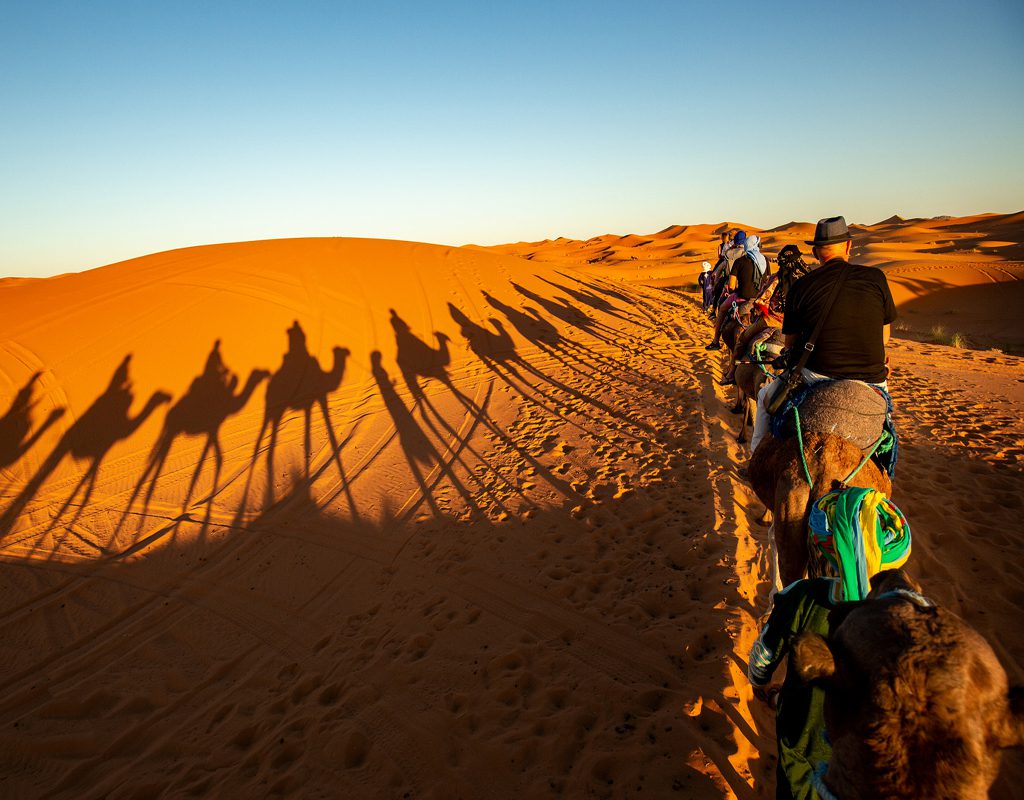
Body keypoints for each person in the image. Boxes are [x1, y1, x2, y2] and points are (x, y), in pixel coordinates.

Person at [748, 486, 912, 799]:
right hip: (865, 756)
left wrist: (759, 678)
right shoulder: (905, 618)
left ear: (825, 549)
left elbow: (763, 656)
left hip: (801, 738)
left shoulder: (800, 597)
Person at [749, 216, 897, 453]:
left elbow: (790, 343)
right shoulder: (876, 278)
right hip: (871, 378)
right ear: (848, 246)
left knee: (766, 398)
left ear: (816, 252)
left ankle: (755, 459)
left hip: (816, 377)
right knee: (886, 426)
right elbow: (883, 338)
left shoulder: (801, 286)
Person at [706, 231, 763, 350]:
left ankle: (716, 340)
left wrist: (718, 284)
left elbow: (730, 283)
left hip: (738, 290)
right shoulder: (762, 260)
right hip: (759, 297)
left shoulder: (730, 253)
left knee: (721, 308)